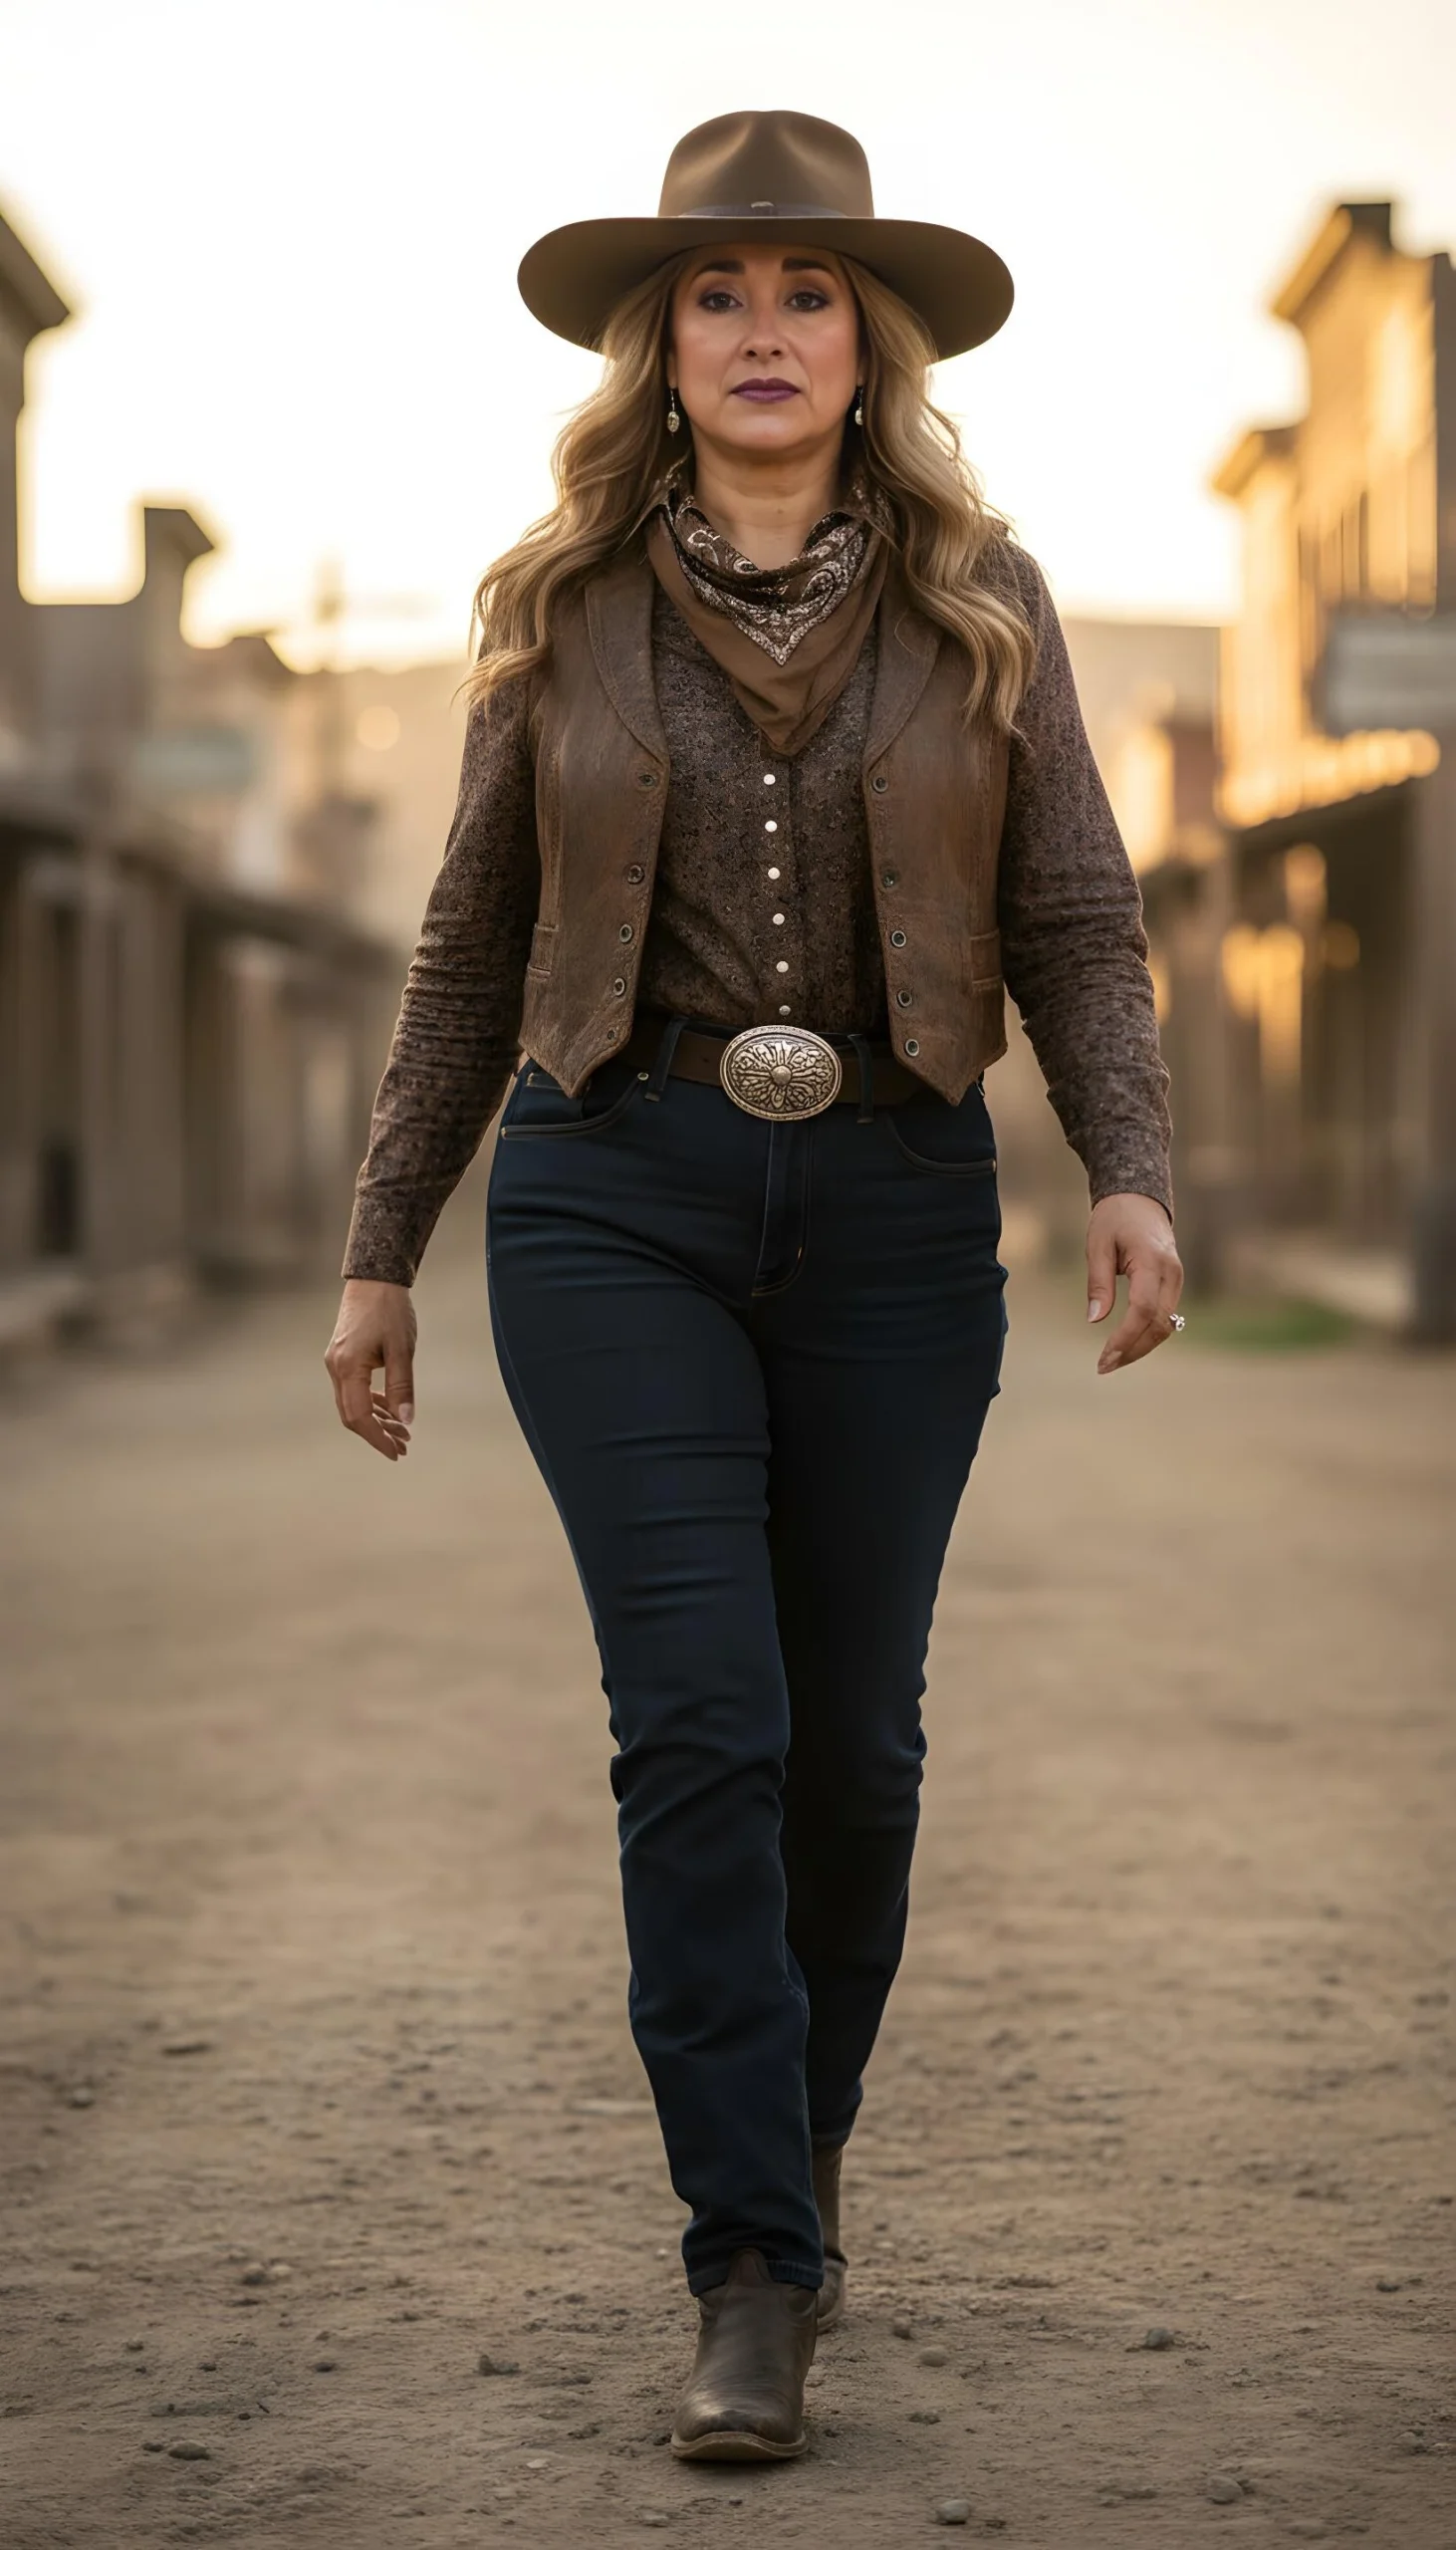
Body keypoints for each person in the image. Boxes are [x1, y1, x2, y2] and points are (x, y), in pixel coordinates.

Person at [325, 108, 1184, 2464]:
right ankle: (747, 2256)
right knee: (698, 1712)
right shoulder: (556, 613)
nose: (765, 329)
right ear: (659, 343)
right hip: (616, 1193)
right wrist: (379, 1241)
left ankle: (793, 2163)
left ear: (864, 341)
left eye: (809, 292)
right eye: (719, 293)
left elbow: (1078, 921)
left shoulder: (983, 598)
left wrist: (1127, 1170)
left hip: (901, 1209)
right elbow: (466, 944)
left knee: (855, 1745)